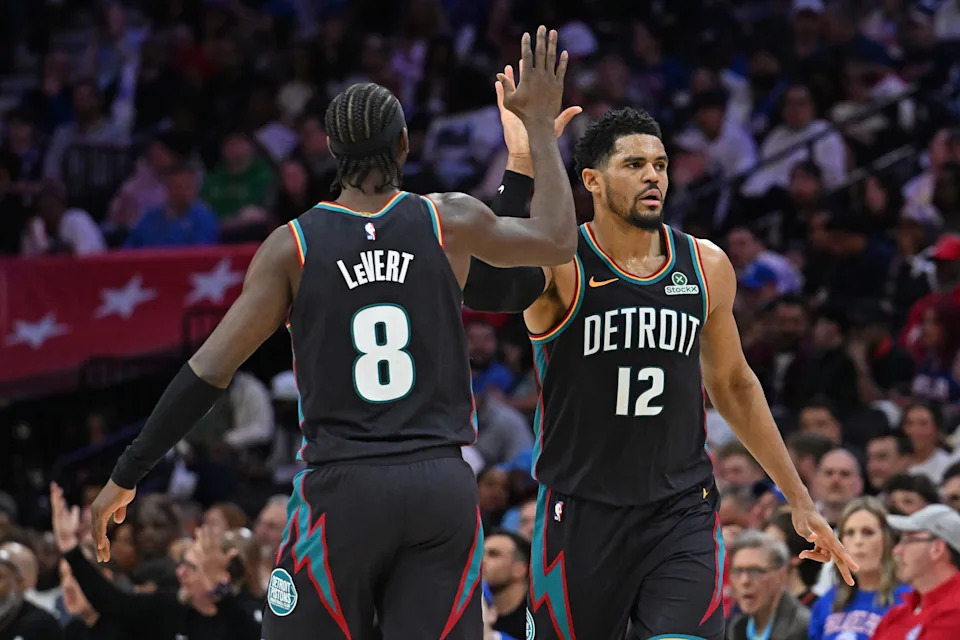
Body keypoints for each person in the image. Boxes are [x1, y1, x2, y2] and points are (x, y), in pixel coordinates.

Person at [90, 26, 578, 640]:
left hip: (344, 486)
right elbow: (556, 241)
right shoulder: (446, 217)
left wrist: (126, 474)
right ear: (403, 143)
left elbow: (207, 372)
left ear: (328, 148)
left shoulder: (291, 247)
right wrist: (536, 132)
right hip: (441, 484)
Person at [460, 97, 857, 639]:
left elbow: (734, 384)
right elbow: (486, 282)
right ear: (593, 181)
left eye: (661, 165)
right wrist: (523, 159)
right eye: (634, 165)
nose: (653, 177)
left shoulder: (705, 264)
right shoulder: (563, 261)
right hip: (582, 513)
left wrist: (799, 499)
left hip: (679, 510)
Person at [808, 497, 910, 640]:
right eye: (849, 533)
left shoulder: (908, 600)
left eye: (868, 532)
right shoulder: (826, 602)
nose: (858, 541)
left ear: (888, 541)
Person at [871, 504, 960, 639]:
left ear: (937, 549)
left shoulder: (954, 611)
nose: (897, 550)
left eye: (908, 540)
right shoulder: (898, 613)